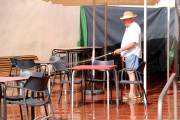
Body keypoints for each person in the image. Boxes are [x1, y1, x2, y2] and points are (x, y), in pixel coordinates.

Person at [113, 11, 142, 99]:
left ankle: (132, 94)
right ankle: (135, 93)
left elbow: (132, 43)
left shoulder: (134, 27)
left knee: (131, 73)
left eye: (125, 19)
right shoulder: (130, 27)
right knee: (132, 73)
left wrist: (120, 50)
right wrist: (123, 54)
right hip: (129, 54)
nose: (123, 21)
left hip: (132, 54)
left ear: (130, 19)